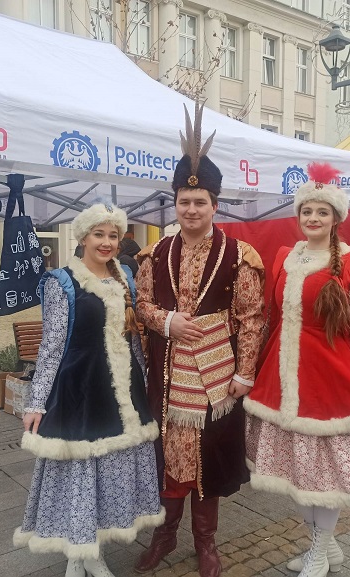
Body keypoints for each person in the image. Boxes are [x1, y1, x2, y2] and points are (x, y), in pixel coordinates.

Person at [244, 163, 350, 577]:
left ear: (335, 219)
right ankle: (324, 545)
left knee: (324, 472)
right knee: (294, 469)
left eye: (321, 212)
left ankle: (318, 549)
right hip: (281, 378)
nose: (312, 219)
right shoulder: (284, 259)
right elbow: (269, 319)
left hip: (330, 379)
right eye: (306, 212)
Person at [134, 103, 265, 577]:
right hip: (168, 378)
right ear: (175, 203)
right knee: (169, 461)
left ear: (214, 204)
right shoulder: (156, 252)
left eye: (200, 202)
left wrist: (245, 374)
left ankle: (206, 542)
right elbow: (141, 306)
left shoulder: (240, 255)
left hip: (218, 380)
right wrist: (168, 322)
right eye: (184, 202)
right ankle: (164, 536)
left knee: (208, 459)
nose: (191, 209)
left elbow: (252, 317)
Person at [14, 203, 164, 577]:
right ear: (82, 237)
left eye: (113, 235)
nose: (107, 242)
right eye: (99, 234)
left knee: (110, 473)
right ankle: (82, 556)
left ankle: (85, 554)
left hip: (121, 392)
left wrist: (142, 383)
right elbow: (51, 345)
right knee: (81, 473)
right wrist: (36, 401)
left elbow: (132, 341)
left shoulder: (125, 278)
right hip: (80, 389)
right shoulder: (61, 282)